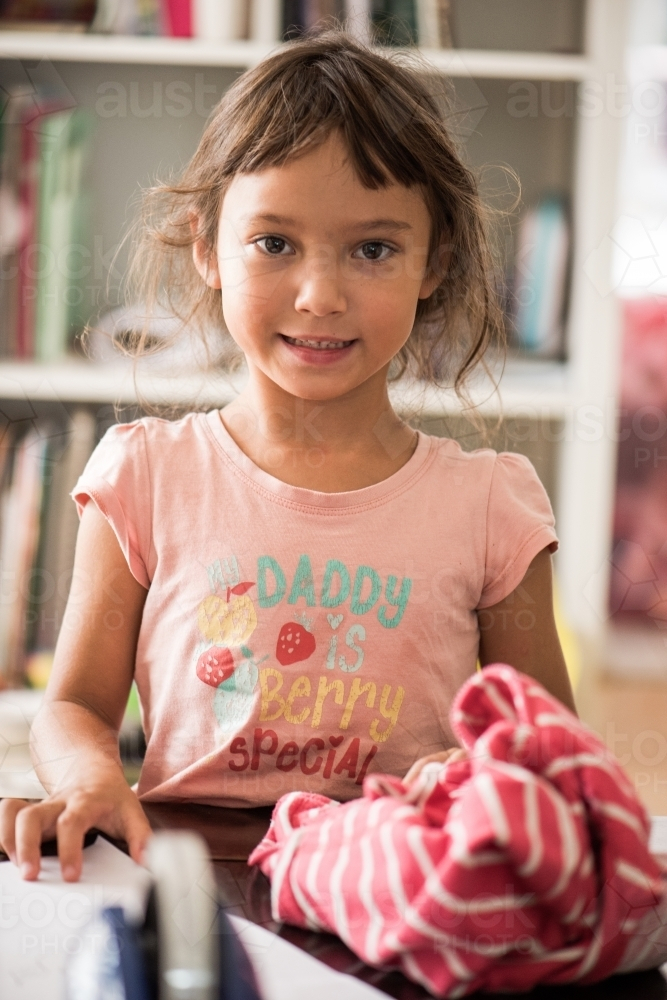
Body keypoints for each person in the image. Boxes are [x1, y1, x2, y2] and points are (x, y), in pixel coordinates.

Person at [0, 32, 574, 882]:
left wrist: (485, 780)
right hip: (189, 876)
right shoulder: (144, 477)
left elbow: (549, 751)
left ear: (434, 261)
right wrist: (89, 780)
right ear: (208, 248)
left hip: (400, 889)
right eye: (274, 242)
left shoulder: (491, 505)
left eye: (372, 249)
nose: (319, 295)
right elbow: (76, 706)